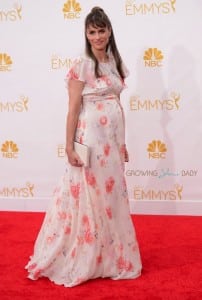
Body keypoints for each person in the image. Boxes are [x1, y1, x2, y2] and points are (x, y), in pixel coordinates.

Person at [25, 6, 142, 287]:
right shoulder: (81, 64)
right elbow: (73, 107)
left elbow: (118, 105)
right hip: (89, 139)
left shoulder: (115, 61)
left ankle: (111, 257)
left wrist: (123, 143)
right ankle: (85, 255)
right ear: (86, 34)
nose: (98, 36)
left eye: (102, 30)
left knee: (111, 199)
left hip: (111, 144)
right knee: (89, 196)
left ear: (109, 31)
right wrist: (69, 146)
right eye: (92, 31)